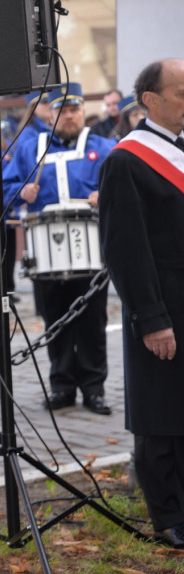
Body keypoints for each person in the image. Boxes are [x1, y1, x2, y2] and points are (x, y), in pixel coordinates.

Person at [98, 58, 184, 546]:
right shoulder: (126, 160)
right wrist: (151, 318)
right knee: (161, 413)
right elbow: (125, 250)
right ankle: (169, 514)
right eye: (181, 93)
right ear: (150, 100)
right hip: (163, 305)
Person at [2, 82, 115, 415]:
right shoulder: (29, 149)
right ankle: (62, 386)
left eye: (75, 109)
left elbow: (123, 188)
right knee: (55, 320)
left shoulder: (105, 147)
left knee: (93, 320)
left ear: (83, 112)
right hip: (46, 252)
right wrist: (22, 194)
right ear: (50, 114)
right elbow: (6, 185)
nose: (70, 116)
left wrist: (103, 195)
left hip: (91, 248)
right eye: (63, 110)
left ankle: (94, 388)